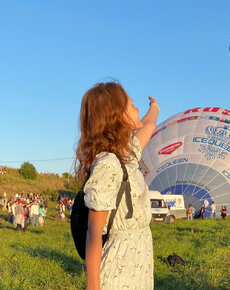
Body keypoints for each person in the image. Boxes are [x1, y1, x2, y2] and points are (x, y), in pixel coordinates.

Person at [76, 81, 159, 289]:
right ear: (117, 116)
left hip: (139, 264)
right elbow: (93, 234)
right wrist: (93, 287)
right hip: (119, 267)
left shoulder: (128, 155)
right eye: (131, 105)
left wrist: (154, 107)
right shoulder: (108, 164)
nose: (137, 108)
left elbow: (149, 126)